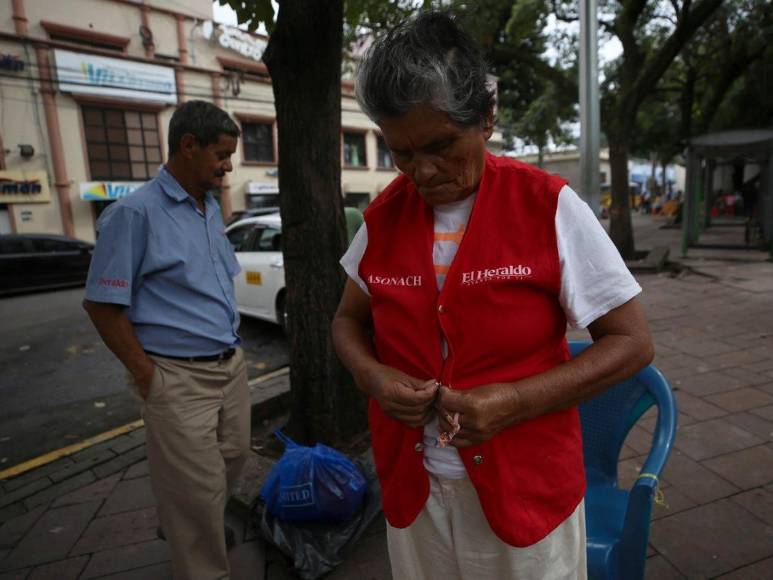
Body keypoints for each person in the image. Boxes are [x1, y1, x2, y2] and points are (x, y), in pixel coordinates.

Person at [331, 12, 654, 580]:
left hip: (526, 490)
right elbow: (346, 323)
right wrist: (373, 376)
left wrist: (516, 400)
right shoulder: (382, 219)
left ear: (486, 117)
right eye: (401, 153)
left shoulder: (548, 206)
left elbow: (631, 343)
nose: (422, 172)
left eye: (441, 145)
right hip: (416, 492)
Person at [83, 100, 248, 580]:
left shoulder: (208, 207)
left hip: (230, 364)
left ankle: (185, 521)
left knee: (234, 457)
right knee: (196, 490)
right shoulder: (132, 214)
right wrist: (147, 376)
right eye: (221, 154)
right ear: (188, 145)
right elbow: (102, 306)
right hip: (176, 376)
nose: (228, 166)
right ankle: (200, 560)